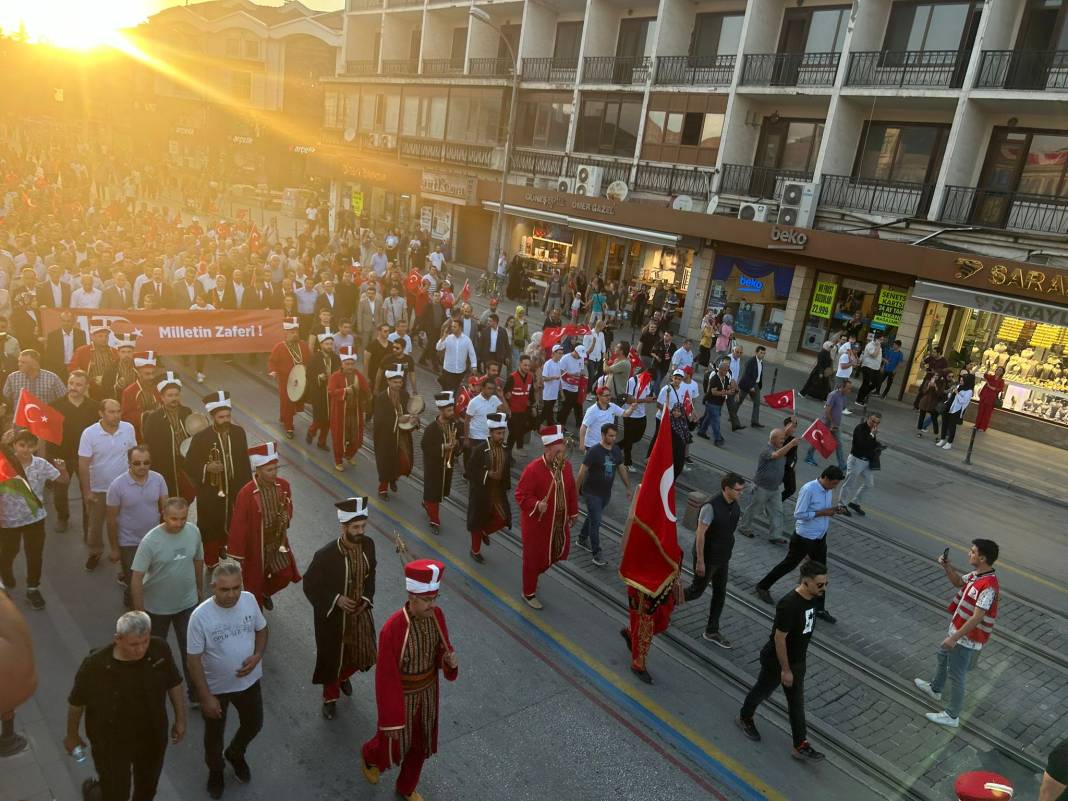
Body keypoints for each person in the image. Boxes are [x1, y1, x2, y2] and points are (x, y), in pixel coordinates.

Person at [360, 559, 458, 801]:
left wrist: (448, 661)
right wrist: (391, 721)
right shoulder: (392, 629)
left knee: (420, 744)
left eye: (434, 599)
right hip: (402, 698)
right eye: (427, 600)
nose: (432, 605)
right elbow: (385, 679)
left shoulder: (438, 616)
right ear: (412, 597)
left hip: (428, 693)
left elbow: (441, 652)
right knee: (391, 745)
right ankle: (369, 756)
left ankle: (406, 787)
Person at [65, 611, 185, 801]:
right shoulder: (95, 665)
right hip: (111, 743)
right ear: (118, 640)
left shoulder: (159, 649)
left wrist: (180, 719)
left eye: (145, 641)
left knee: (147, 789)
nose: (141, 649)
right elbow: (76, 703)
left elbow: (174, 683)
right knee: (115, 792)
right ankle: (95, 792)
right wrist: (72, 735)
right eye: (134, 644)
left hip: (151, 737)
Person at [186, 561, 268, 800]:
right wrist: (206, 697)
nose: (232, 594)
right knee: (214, 737)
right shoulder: (199, 617)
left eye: (236, 587)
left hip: (249, 683)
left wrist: (258, 655)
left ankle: (235, 753)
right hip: (216, 690)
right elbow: (193, 661)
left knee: (254, 724)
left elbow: (262, 630)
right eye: (225, 589)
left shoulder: (249, 600)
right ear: (213, 587)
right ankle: (216, 771)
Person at [737, 560, 829, 762]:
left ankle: (800, 745)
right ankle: (745, 716)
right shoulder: (789, 604)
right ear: (806, 582)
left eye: (825, 584)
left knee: (796, 703)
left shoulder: (813, 598)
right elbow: (779, 638)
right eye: (820, 584)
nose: (823, 588)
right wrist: (785, 670)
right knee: (763, 690)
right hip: (777, 662)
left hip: (797, 662)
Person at [303, 497, 377, 721]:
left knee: (364, 655)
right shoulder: (325, 555)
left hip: (359, 614)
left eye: (363, 526)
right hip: (333, 619)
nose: (360, 531)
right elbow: (309, 584)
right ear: (343, 527)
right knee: (332, 660)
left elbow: (371, 574)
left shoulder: (369, 545)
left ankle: (344, 676)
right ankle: (330, 698)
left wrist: (366, 597)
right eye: (355, 527)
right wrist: (335, 599)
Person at [914, 539, 1000, 729]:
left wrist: (954, 638)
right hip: (958, 631)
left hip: (966, 639)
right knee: (942, 655)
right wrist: (947, 566)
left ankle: (952, 716)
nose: (969, 554)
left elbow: (977, 618)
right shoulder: (978, 575)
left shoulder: (988, 586)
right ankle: (935, 689)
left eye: (972, 551)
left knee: (956, 675)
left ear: (983, 557)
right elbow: (957, 582)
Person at [130, 497, 203, 704]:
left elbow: (198, 559)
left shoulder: (193, 532)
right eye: (173, 519)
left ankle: (195, 693)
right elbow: (136, 577)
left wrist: (199, 588)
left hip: (187, 604)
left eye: (182, 518)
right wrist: (140, 612)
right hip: (157, 609)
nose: (178, 523)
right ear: (163, 514)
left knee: (191, 651)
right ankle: (153, 692)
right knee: (154, 655)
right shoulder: (150, 541)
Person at [754, 466, 845, 624]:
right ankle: (763, 586)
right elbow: (799, 514)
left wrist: (834, 510)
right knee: (789, 564)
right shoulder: (809, 489)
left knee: (821, 572)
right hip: (804, 537)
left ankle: (819, 607)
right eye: (834, 484)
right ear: (827, 479)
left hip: (820, 537)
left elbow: (823, 510)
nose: (835, 487)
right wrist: (823, 513)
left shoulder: (827, 490)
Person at [227, 442, 301, 611]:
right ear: (257, 470)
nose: (274, 473)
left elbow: (288, 505)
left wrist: (286, 515)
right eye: (269, 470)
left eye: (276, 468)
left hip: (277, 542)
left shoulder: (284, 485)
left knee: (285, 575)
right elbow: (239, 523)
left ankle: (265, 592)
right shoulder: (245, 493)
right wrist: (238, 553)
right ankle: (256, 619)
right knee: (254, 585)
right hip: (255, 546)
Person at [183, 392, 252, 573]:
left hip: (235, 488)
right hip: (211, 491)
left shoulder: (239, 433)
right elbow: (189, 464)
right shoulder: (201, 437)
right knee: (211, 525)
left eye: (228, 416)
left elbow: (244, 463)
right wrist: (207, 468)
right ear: (212, 417)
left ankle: (224, 546)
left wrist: (248, 489)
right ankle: (211, 560)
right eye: (221, 417)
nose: (226, 420)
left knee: (232, 521)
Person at [0, 430, 67, 610]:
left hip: (35, 518)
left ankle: (32, 588)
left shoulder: (41, 464)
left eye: (30, 445)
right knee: (9, 552)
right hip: (8, 521)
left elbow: (62, 480)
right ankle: (4, 572)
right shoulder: (4, 465)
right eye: (22, 445)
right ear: (14, 445)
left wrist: (63, 470)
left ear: (36, 446)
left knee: (35, 555)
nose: (26, 450)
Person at [514, 425, 578, 609]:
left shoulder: (566, 467)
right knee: (533, 558)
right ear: (548, 449)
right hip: (537, 525)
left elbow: (571, 490)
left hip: (557, 523)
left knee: (556, 552)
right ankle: (528, 592)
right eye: (558, 452)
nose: (561, 456)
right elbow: (521, 495)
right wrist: (536, 504)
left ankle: (534, 575)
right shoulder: (533, 469)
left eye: (563, 452)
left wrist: (573, 512)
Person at [684, 473, 745, 648]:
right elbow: (700, 535)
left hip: (723, 557)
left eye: (742, 490)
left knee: (720, 593)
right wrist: (700, 561)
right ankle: (665, 603)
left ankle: (712, 630)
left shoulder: (734, 504)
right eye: (738, 490)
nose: (740, 493)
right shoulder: (710, 507)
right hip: (709, 557)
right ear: (726, 489)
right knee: (696, 591)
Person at [79, 399, 139, 572]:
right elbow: (83, 464)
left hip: (124, 487)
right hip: (99, 489)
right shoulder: (89, 434)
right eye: (111, 412)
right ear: (101, 413)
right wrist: (87, 492)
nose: (116, 415)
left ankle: (124, 553)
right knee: (95, 526)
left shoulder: (128, 428)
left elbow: (133, 456)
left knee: (125, 523)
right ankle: (95, 552)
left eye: (118, 411)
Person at [106, 445, 168, 607]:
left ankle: (134, 595)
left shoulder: (159, 479)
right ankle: (135, 607)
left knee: (153, 577)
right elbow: (111, 520)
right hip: (128, 542)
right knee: (134, 579)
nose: (142, 467)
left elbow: (166, 509)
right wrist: (114, 548)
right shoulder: (117, 486)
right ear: (129, 463)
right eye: (137, 463)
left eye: (146, 462)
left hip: (153, 540)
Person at [47, 370, 99, 536]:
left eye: (78, 384)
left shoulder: (95, 407)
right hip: (61, 456)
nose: (73, 387)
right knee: (60, 491)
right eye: (71, 383)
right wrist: (53, 458)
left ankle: (88, 521)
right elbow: (49, 434)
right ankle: (63, 517)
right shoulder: (55, 406)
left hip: (86, 457)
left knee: (88, 490)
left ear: (86, 387)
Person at [576, 422, 631, 567]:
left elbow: (621, 468)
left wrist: (628, 487)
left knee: (593, 516)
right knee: (596, 522)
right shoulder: (594, 451)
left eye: (614, 436)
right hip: (591, 492)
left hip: (605, 493)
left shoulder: (617, 450)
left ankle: (582, 538)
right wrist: (575, 490)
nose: (613, 439)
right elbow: (582, 471)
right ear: (603, 435)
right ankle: (597, 553)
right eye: (610, 436)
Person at [739, 425, 799, 544]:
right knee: (753, 508)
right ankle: (744, 527)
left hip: (775, 489)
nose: (783, 441)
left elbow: (784, 459)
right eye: (781, 439)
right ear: (773, 439)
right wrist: (791, 444)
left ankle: (775, 535)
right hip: (761, 487)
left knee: (777, 512)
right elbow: (776, 455)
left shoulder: (781, 450)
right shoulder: (766, 450)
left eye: (784, 439)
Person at [466, 413, 512, 563]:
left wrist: (506, 486)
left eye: (503, 433)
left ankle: (485, 532)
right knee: (477, 522)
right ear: (491, 433)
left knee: (504, 518)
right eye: (498, 433)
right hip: (482, 494)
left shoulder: (505, 449)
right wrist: (488, 474)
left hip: (498, 493)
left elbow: (506, 471)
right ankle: (475, 551)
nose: (501, 436)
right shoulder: (480, 449)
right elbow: (470, 471)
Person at [142, 372, 194, 500]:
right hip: (164, 466)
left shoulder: (187, 412)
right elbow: (149, 445)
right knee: (167, 498)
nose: (174, 398)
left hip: (184, 465)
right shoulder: (153, 418)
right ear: (162, 397)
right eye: (170, 395)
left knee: (187, 495)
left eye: (176, 395)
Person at [420, 392, 461, 532]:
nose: (452, 412)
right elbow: (425, 446)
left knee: (439, 492)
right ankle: (434, 521)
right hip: (434, 467)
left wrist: (457, 444)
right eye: (449, 410)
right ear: (441, 410)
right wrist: (443, 447)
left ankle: (427, 503)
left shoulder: (454, 424)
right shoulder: (431, 428)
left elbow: (459, 444)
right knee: (434, 494)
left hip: (446, 467)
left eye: (452, 409)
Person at [373, 365, 415, 499]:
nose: (398, 385)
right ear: (388, 381)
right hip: (386, 437)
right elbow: (380, 419)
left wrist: (413, 419)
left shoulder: (405, 395)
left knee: (403, 461)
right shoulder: (381, 398)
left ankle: (393, 477)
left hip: (402, 436)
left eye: (400, 382)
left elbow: (409, 411)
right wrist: (398, 419)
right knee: (386, 462)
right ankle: (383, 489)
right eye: (395, 382)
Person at [328, 346, 372, 472]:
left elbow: (366, 389)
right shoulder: (335, 376)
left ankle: (349, 454)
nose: (350, 366)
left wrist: (368, 396)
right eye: (347, 364)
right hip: (340, 413)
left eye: (352, 363)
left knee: (356, 438)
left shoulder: (358, 374)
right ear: (342, 363)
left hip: (355, 412)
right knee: (339, 438)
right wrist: (344, 391)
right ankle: (338, 460)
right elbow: (331, 391)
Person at [266, 317, 311, 439]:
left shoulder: (303, 345)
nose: (295, 334)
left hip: (300, 380)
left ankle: (283, 417)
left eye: (296, 332)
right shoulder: (279, 347)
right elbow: (272, 361)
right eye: (292, 332)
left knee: (293, 401)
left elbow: (310, 361)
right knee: (287, 402)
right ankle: (289, 427)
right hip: (285, 381)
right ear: (285, 333)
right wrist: (273, 371)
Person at [836, 412, 882, 517]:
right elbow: (862, 444)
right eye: (873, 421)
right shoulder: (860, 428)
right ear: (868, 418)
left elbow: (871, 445)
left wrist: (878, 446)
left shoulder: (872, 431)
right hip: (856, 460)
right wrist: (872, 435)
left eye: (877, 423)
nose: (874, 424)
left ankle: (855, 502)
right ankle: (841, 505)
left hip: (866, 461)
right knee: (849, 483)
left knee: (869, 483)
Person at [803, 379, 850, 471]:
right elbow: (827, 410)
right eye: (848, 389)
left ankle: (841, 464)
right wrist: (832, 423)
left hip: (836, 425)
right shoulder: (833, 395)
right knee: (818, 440)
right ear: (842, 387)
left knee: (839, 444)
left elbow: (841, 408)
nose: (849, 391)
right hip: (827, 423)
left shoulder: (844, 397)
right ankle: (808, 457)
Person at [306, 330, 338, 450]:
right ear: (321, 345)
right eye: (327, 344)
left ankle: (322, 442)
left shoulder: (336, 358)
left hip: (331, 393)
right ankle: (311, 431)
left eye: (331, 344)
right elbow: (308, 374)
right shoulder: (315, 358)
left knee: (329, 419)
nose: (329, 346)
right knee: (319, 417)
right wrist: (318, 377)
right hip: (319, 393)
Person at [621, 359, 655, 469]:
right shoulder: (632, 381)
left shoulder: (649, 382)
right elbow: (629, 400)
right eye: (649, 378)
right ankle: (627, 462)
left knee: (637, 437)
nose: (650, 381)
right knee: (629, 440)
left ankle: (615, 447)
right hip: (630, 414)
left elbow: (647, 395)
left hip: (641, 414)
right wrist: (645, 400)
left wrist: (651, 399)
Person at [68, 326, 118, 400]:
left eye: (106, 336)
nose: (104, 339)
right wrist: (91, 380)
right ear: (92, 337)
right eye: (100, 336)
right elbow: (72, 369)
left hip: (111, 391)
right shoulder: (82, 351)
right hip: (90, 390)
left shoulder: (114, 352)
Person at [120, 351, 161, 441]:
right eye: (147, 374)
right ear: (138, 373)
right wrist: (146, 416)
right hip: (138, 436)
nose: (151, 377)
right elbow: (125, 416)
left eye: (153, 373)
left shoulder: (159, 389)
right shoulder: (129, 391)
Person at [696, 357, 736, 446]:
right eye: (726, 370)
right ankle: (718, 439)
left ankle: (702, 431)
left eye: (728, 370)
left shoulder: (725, 378)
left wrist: (732, 389)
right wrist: (726, 392)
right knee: (716, 421)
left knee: (709, 418)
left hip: (719, 403)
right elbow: (714, 392)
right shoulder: (714, 378)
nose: (727, 372)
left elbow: (726, 387)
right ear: (720, 370)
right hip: (712, 402)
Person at [503, 353, 535, 451]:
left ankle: (513, 449)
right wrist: (508, 411)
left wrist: (532, 407)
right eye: (525, 365)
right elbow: (505, 395)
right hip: (513, 412)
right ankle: (508, 453)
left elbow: (531, 393)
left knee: (528, 426)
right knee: (513, 433)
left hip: (524, 410)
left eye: (528, 365)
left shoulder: (530, 377)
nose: (527, 367)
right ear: (520, 364)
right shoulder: (512, 377)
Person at [435, 318, 476, 393]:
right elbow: (438, 347)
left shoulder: (467, 340)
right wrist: (443, 337)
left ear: (460, 328)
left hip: (460, 371)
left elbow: (472, 353)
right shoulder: (448, 338)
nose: (452, 328)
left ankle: (450, 403)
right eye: (452, 326)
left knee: (454, 391)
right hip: (448, 370)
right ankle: (446, 404)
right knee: (447, 391)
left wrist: (474, 366)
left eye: (454, 327)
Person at [937, 371, 975, 450]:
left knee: (951, 426)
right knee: (944, 424)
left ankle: (949, 442)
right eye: (960, 380)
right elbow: (950, 396)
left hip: (956, 410)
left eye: (962, 381)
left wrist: (957, 393)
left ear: (967, 382)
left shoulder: (969, 391)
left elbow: (963, 401)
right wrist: (951, 391)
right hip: (948, 406)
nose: (960, 382)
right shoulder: (959, 386)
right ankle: (942, 439)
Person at [557, 343, 587, 430]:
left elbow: (581, 370)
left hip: (576, 385)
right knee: (567, 406)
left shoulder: (580, 358)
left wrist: (581, 375)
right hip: (566, 385)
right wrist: (571, 374)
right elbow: (561, 372)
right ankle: (561, 423)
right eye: (579, 355)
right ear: (575, 352)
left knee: (578, 405)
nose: (580, 357)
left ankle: (579, 424)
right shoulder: (565, 358)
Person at [736, 345, 766, 428]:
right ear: (756, 353)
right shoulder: (751, 362)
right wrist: (750, 386)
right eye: (761, 353)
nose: (763, 355)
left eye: (764, 353)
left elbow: (759, 375)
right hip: (747, 384)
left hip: (756, 385)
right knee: (739, 401)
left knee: (757, 403)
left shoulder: (761, 363)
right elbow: (746, 376)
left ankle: (754, 422)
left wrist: (757, 385)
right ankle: (732, 415)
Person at [855, 332, 885, 405]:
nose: (882, 341)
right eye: (881, 339)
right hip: (867, 367)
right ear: (876, 339)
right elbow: (874, 355)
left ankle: (863, 395)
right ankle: (859, 399)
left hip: (875, 368)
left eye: (882, 340)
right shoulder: (870, 345)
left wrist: (880, 366)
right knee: (866, 383)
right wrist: (878, 346)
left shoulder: (879, 346)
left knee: (877, 383)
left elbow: (878, 357)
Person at [974, 366, 1006, 432]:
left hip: (992, 398)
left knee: (987, 413)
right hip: (984, 396)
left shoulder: (1001, 381)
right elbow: (985, 375)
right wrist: (987, 369)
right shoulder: (991, 376)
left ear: (1002, 373)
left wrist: (991, 387)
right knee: (980, 411)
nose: (998, 371)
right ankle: (976, 425)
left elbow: (1000, 389)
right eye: (998, 370)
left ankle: (982, 427)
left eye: (1000, 371)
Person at [540, 343, 564, 426]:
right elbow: (544, 378)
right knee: (549, 414)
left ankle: (535, 425)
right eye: (559, 353)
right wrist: (553, 377)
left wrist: (561, 392)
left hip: (554, 394)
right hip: (547, 393)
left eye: (562, 353)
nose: (561, 355)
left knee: (545, 413)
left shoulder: (559, 364)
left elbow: (560, 379)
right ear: (553, 353)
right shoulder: (548, 364)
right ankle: (551, 427)